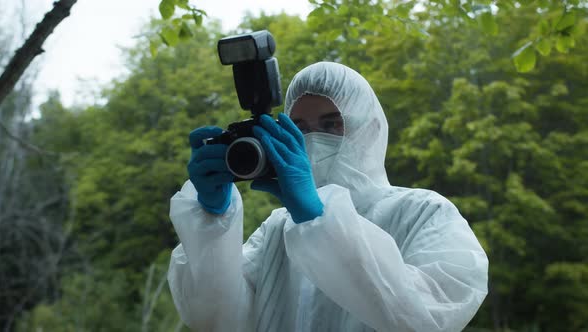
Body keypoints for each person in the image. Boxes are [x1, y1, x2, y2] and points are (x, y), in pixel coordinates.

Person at [167, 62, 488, 331]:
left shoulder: (423, 213)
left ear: (372, 129)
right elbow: (215, 317)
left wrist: (319, 219)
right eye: (301, 127)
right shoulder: (278, 228)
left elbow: (428, 316)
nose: (314, 138)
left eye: (332, 124)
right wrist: (211, 222)